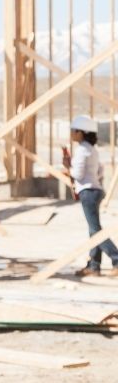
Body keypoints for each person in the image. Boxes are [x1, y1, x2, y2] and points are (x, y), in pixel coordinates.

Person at [63, 115, 118, 278]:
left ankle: (116, 259)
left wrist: (68, 168)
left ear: (81, 133)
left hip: (87, 192)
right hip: (95, 190)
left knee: (96, 230)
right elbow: (100, 171)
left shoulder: (81, 150)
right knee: (93, 231)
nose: (72, 134)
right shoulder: (91, 149)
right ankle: (94, 266)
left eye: (74, 131)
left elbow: (78, 174)